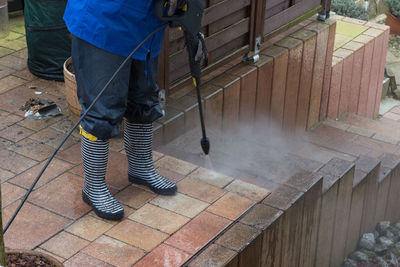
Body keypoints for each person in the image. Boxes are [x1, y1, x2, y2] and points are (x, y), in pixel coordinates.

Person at [63, 0, 180, 221]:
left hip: (145, 22)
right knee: (101, 110)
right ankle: (93, 186)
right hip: (104, 21)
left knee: (143, 98)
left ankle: (141, 168)